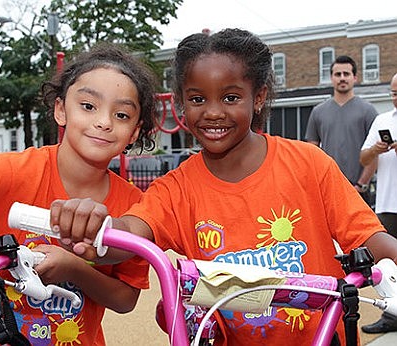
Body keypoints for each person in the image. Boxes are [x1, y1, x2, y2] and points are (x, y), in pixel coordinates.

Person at [50, 29, 397, 345]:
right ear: (181, 104)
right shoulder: (176, 189)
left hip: (322, 337)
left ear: (258, 97)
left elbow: (370, 238)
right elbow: (129, 235)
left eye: (230, 98)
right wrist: (96, 228)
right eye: (198, 99)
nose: (213, 113)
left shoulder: (308, 163)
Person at [0, 42, 158, 345]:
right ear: (61, 109)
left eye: (122, 115)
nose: (104, 121)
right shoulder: (9, 175)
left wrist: (75, 269)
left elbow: (126, 299)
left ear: (135, 132)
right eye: (88, 106)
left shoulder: (133, 207)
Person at [305, 55, 378, 204]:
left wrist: (361, 185)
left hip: (358, 190)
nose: (342, 78)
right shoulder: (318, 111)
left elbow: (375, 152)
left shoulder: (368, 110)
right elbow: (311, 151)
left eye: (347, 74)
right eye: (338, 74)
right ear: (331, 78)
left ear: (355, 78)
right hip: (327, 189)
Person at [360, 73, 397, 334]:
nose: (396, 98)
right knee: (386, 265)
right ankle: (391, 315)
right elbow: (363, 158)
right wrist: (377, 149)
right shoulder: (382, 120)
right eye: (394, 93)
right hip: (387, 201)